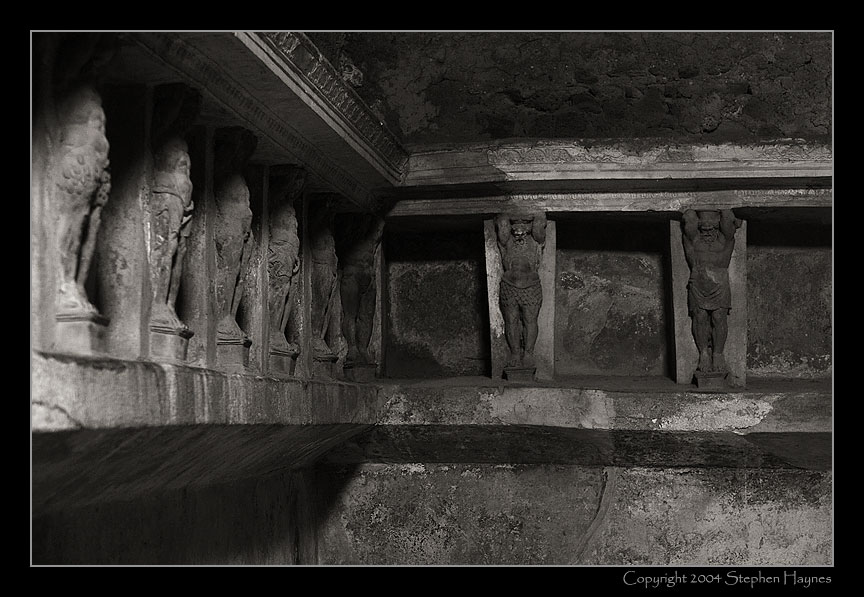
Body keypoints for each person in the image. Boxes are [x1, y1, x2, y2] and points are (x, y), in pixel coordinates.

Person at [681, 209, 741, 374]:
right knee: (700, 317)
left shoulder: (724, 241)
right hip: (698, 283)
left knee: (718, 317)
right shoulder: (693, 241)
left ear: (718, 226)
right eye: (704, 229)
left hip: (719, 283)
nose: (707, 232)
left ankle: (718, 353)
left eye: (712, 228)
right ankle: (704, 354)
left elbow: (729, 219)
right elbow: (688, 217)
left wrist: (724, 208)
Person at [496, 212, 546, 368]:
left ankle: (529, 353)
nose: (519, 230)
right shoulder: (507, 242)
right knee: (511, 321)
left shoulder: (535, 241)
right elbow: (503, 222)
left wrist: (530, 217)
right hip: (509, 285)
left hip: (531, 286)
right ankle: (515, 353)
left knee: (530, 321)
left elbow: (539, 222)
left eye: (524, 227)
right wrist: (510, 214)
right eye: (515, 227)